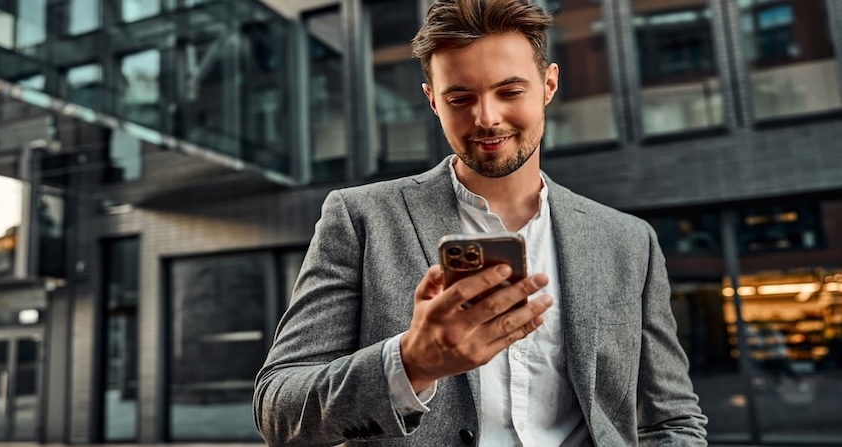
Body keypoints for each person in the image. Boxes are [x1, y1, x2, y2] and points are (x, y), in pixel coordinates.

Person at [253, 0, 708, 445]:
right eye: (460, 98)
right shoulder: (361, 219)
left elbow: (672, 419)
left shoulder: (628, 242)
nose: (487, 118)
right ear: (433, 101)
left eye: (510, 92)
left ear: (548, 85)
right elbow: (277, 408)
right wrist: (411, 363)